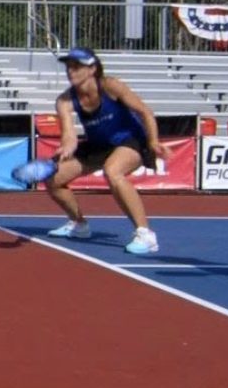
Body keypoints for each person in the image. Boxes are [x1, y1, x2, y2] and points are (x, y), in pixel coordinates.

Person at [38, 47, 168, 256]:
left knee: (113, 171)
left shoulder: (111, 86)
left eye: (77, 67)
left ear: (92, 69)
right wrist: (66, 148)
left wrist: (153, 141)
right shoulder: (64, 100)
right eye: (69, 67)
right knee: (53, 179)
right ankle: (79, 225)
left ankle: (146, 235)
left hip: (131, 140)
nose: (71, 71)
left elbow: (145, 112)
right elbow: (70, 136)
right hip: (99, 144)